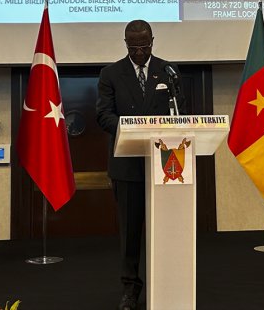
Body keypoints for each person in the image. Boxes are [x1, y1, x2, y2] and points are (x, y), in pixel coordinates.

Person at [96, 20, 185, 310]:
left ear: (152, 41)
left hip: (166, 165)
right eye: (133, 48)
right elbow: (103, 115)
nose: (139, 53)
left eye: (144, 47)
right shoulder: (111, 74)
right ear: (125, 44)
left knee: (166, 229)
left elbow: (179, 112)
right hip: (127, 165)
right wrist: (132, 129)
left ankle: (167, 283)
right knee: (131, 231)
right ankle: (130, 288)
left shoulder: (168, 71)